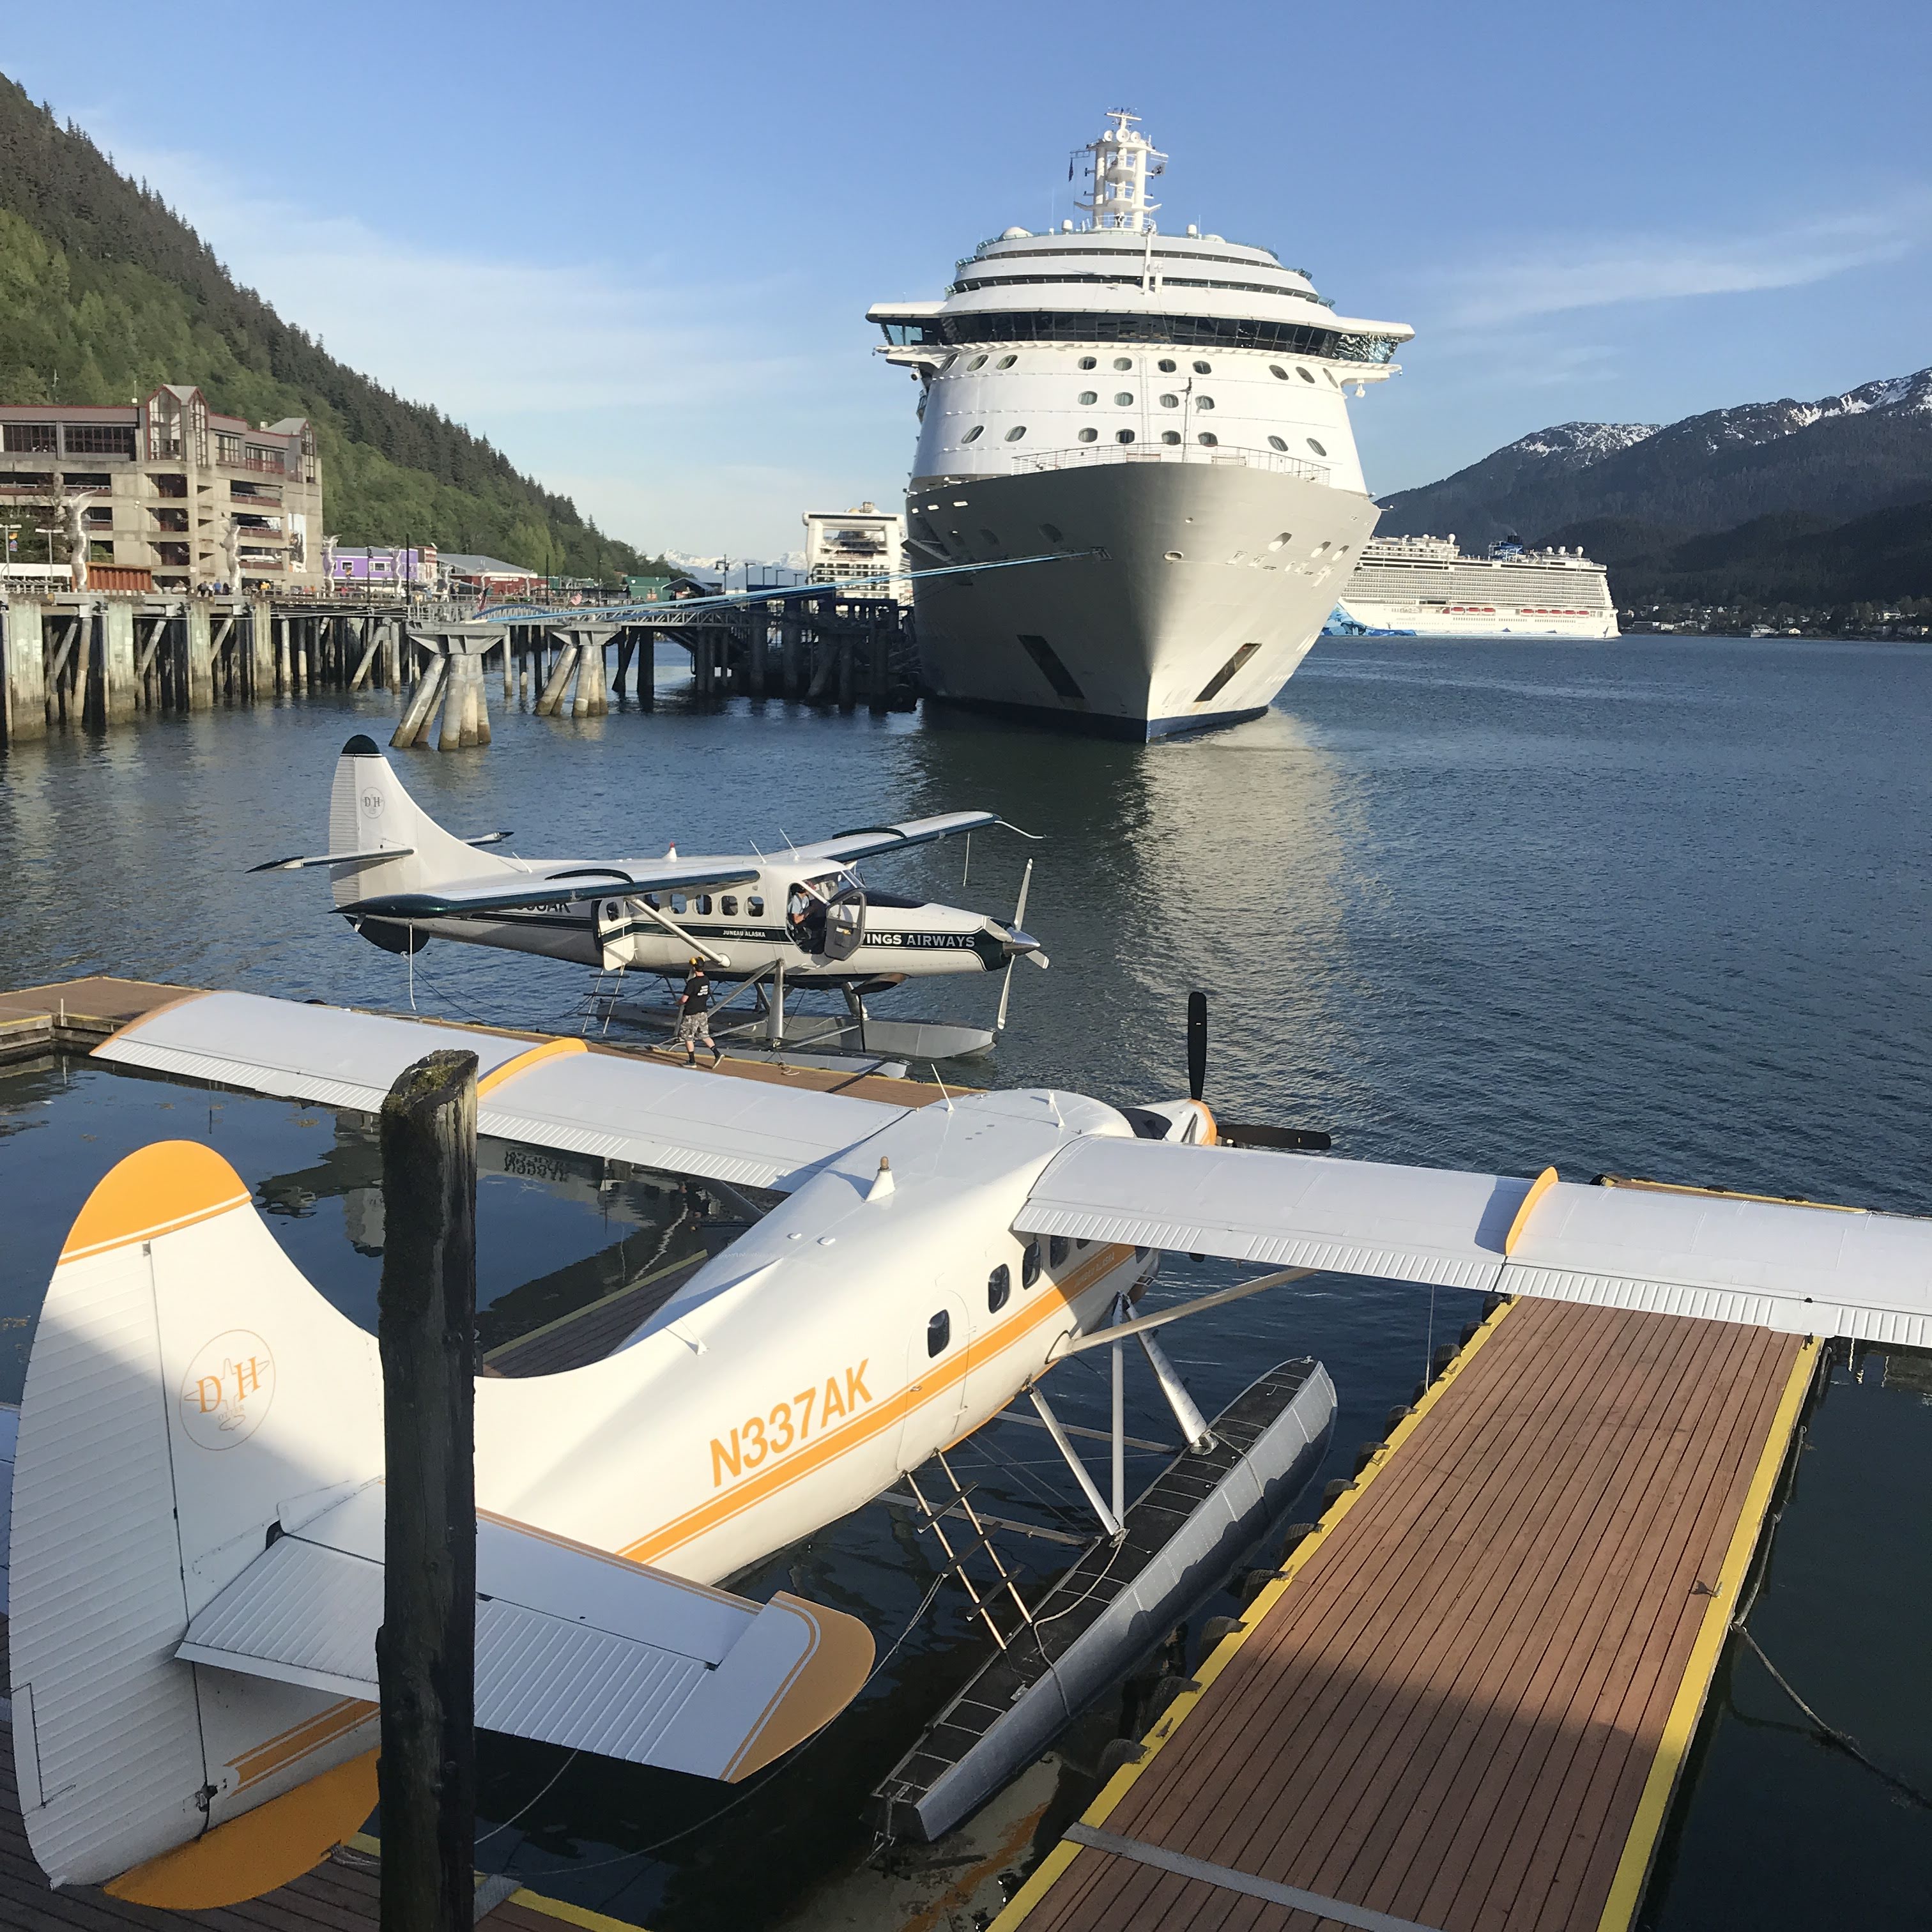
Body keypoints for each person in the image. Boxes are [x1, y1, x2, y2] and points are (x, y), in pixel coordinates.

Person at [674, 958, 721, 1068]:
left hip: (691, 1013)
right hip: (703, 1012)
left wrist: (678, 1003)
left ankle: (692, 1061)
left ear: (694, 968)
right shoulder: (706, 980)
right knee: (704, 1035)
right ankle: (717, 1053)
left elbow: (684, 999)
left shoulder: (692, 983)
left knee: (688, 1037)